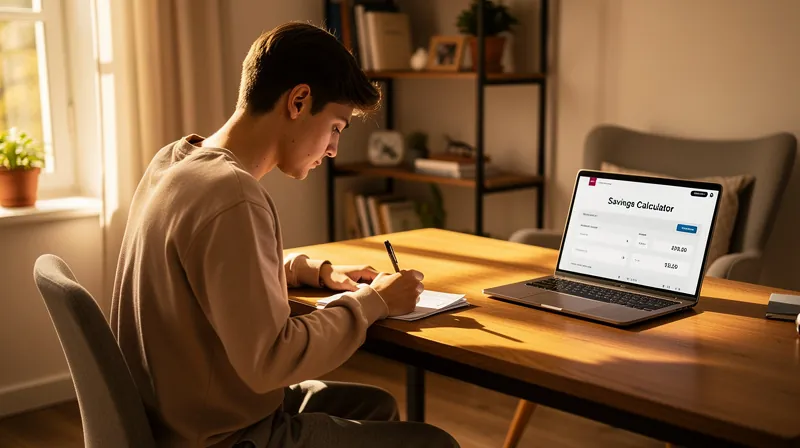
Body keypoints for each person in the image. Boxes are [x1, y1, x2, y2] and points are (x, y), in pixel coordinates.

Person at [109, 22, 460, 448]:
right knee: (435, 443)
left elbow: (212, 271)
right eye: (335, 127)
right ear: (298, 101)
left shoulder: (176, 160)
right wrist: (375, 302)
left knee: (375, 406)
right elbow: (272, 360)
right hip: (222, 435)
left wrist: (310, 271)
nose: (333, 150)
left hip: (180, 415)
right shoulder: (233, 195)